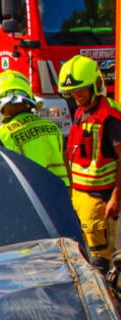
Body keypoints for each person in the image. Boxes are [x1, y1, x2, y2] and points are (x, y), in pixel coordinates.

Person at [59, 54, 121, 274]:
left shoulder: (109, 118)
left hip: (100, 201)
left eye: (81, 90)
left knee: (101, 260)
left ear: (95, 86)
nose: (76, 96)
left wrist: (115, 196)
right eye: (72, 92)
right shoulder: (80, 113)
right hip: (81, 197)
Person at [0, 70, 67, 186]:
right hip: (57, 198)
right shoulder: (53, 128)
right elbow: (67, 171)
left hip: (25, 200)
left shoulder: (0, 137)